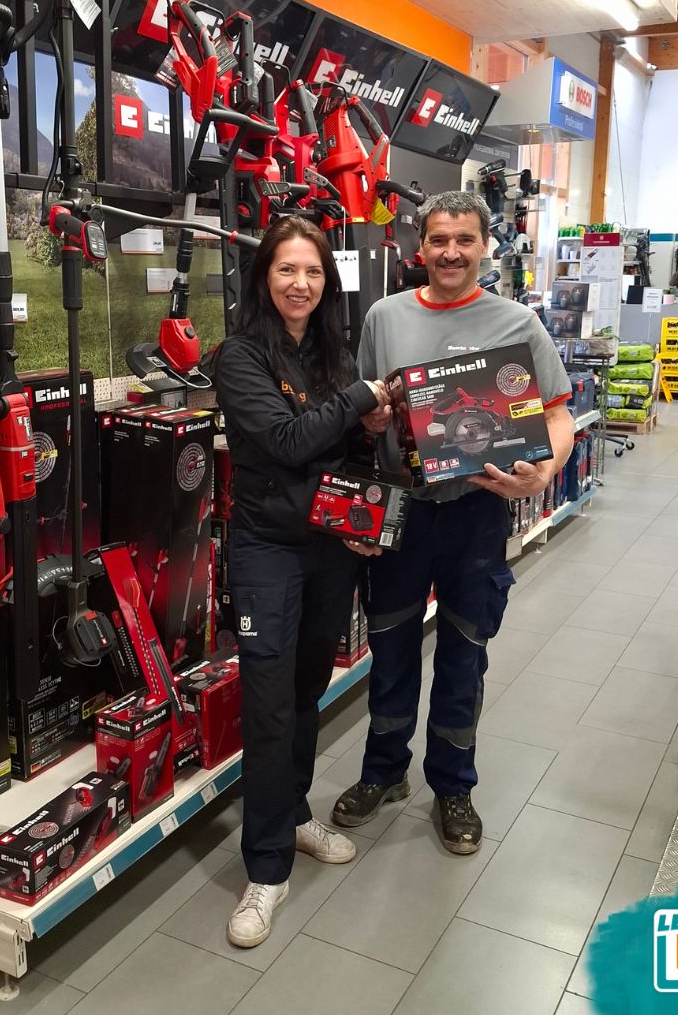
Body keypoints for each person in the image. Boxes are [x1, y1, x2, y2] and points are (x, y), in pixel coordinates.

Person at [331, 190, 575, 854]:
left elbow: (557, 413)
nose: (450, 252)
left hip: (476, 512)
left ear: (485, 246)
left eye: (464, 240)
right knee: (390, 647)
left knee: (465, 651)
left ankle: (453, 786)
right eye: (439, 239)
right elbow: (365, 409)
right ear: (421, 246)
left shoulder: (517, 323)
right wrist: (374, 419)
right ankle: (384, 771)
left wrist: (545, 471)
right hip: (403, 510)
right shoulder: (385, 317)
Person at [214, 215, 390, 948]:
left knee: (306, 688)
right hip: (267, 551)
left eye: (313, 271)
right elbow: (287, 442)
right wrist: (357, 401)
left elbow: (339, 445)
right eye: (287, 269)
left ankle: (293, 814)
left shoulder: (330, 351)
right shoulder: (238, 357)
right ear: (264, 277)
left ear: (327, 282)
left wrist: (369, 433)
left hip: (329, 547)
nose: (301, 283)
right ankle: (266, 869)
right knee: (267, 702)